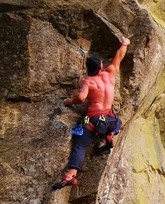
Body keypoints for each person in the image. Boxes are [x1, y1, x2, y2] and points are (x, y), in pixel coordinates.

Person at [53, 36, 130, 190]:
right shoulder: (110, 73)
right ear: (101, 66)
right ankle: (109, 134)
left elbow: (81, 98)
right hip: (107, 117)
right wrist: (125, 43)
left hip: (92, 120)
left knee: (79, 145)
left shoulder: (88, 82)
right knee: (118, 123)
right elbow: (119, 56)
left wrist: (69, 101)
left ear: (88, 69)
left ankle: (71, 174)